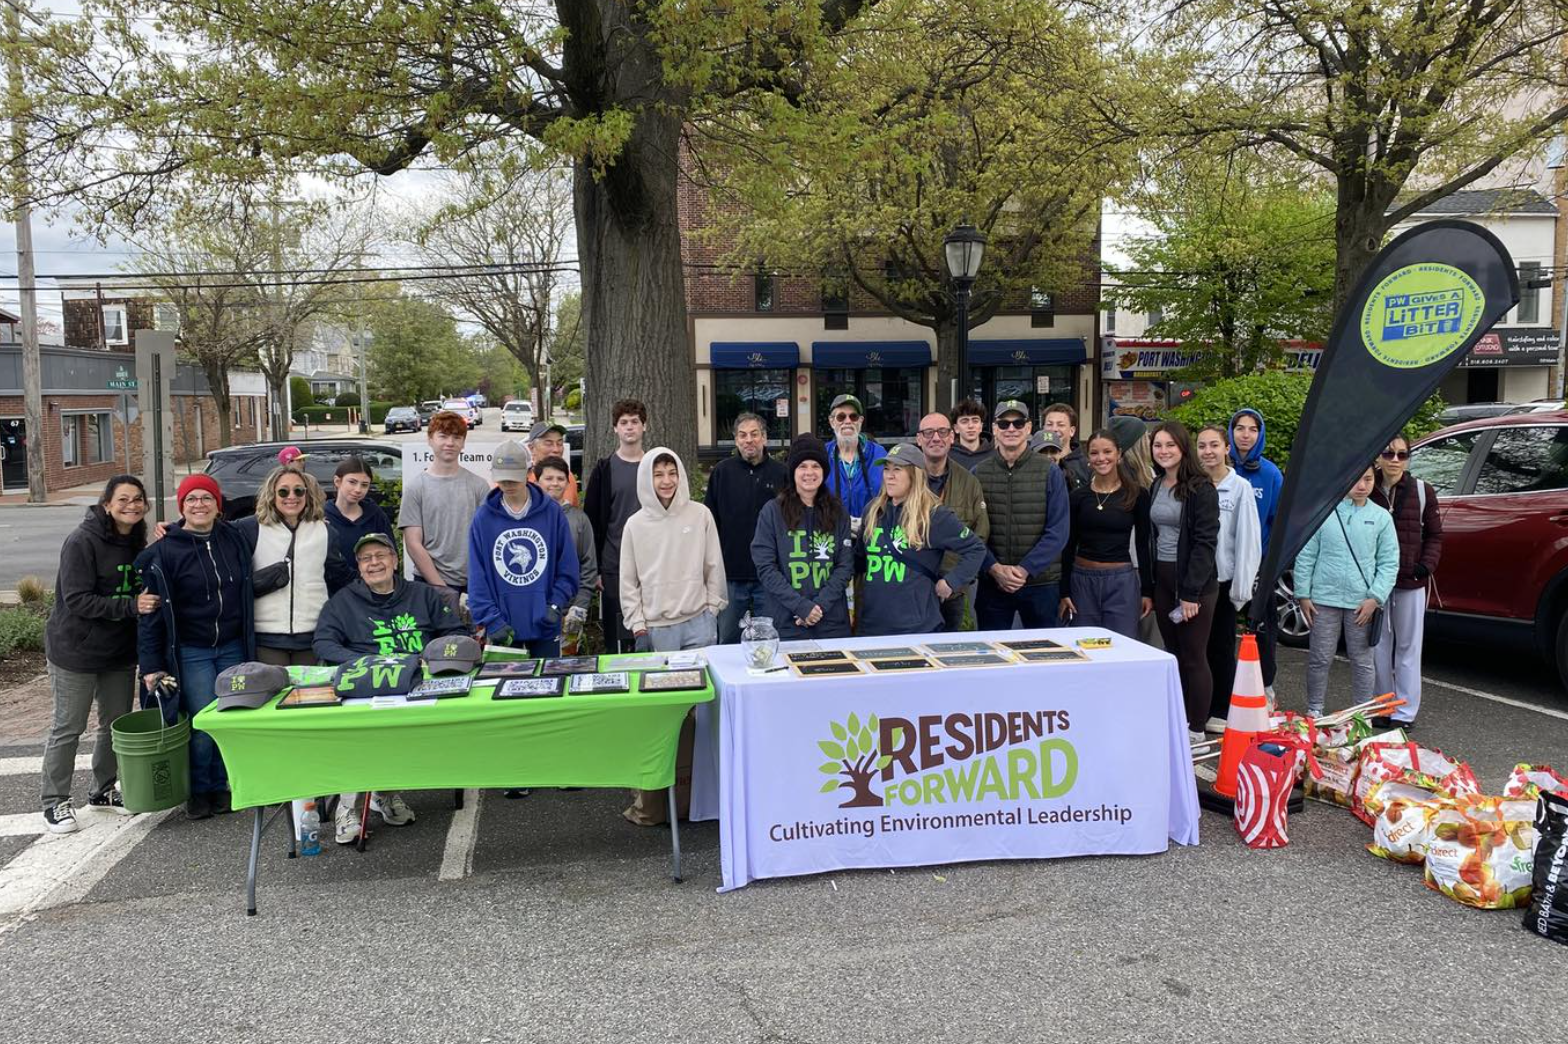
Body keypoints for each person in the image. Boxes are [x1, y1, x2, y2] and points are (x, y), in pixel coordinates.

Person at [314, 532, 468, 842]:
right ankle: (349, 806)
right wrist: (364, 664)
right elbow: (323, 642)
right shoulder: (343, 602)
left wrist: (428, 659)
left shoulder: (424, 595)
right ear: (359, 567)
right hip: (366, 687)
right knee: (357, 733)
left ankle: (385, 794)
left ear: (395, 560)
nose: (374, 563)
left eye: (381, 556)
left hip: (417, 684)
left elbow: (453, 632)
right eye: (366, 559)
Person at [136, 474, 257, 821]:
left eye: (206, 498)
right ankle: (200, 790)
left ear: (218, 506)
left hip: (233, 646)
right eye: (192, 499)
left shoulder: (233, 538)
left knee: (230, 720)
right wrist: (151, 666)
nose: (199, 505)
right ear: (182, 507)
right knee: (203, 723)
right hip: (194, 651)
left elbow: (270, 514)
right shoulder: (162, 552)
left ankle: (224, 784)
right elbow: (151, 615)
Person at [39, 476, 148, 832]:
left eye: (137, 500)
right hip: (76, 650)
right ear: (106, 504)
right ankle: (55, 802)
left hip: (117, 652)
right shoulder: (82, 541)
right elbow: (77, 599)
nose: (131, 505)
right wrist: (131, 606)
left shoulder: (136, 541)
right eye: (123, 499)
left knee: (114, 726)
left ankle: (103, 791)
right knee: (68, 727)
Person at [1297, 464, 1399, 718]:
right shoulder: (1324, 512)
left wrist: (1375, 598)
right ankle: (1314, 709)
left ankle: (1361, 713)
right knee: (1320, 658)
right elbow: (1307, 554)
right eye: (1356, 480)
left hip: (1361, 602)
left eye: (1368, 479)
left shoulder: (1381, 517)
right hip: (1323, 598)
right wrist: (1303, 593)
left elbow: (1389, 562)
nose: (1362, 485)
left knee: (1363, 661)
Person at [856, 442, 986, 636]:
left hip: (917, 627)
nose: (889, 476)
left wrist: (951, 581)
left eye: (897, 469)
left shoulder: (934, 515)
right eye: (886, 469)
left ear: (914, 474)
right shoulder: (873, 510)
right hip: (872, 624)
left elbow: (976, 549)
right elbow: (858, 559)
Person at [466, 440, 580, 658]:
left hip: (546, 624)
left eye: (514, 477)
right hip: (503, 628)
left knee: (549, 686)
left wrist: (556, 604)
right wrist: (491, 620)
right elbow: (477, 577)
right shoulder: (483, 518)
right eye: (502, 478)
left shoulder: (552, 513)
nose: (507, 484)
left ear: (529, 473)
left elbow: (568, 567)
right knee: (505, 689)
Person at [1147, 422, 1221, 737]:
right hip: (1162, 579)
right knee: (1173, 654)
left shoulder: (1201, 488)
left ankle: (1197, 728)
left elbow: (1206, 542)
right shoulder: (1156, 484)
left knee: (1194, 657)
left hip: (1194, 585)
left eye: (1170, 445)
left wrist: (1191, 592)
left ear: (1183, 449)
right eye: (1158, 445)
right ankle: (1178, 718)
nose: (1163, 451)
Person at [236, 464, 349, 666]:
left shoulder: (325, 532)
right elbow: (209, 532)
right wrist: (175, 528)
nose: (292, 496)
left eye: (299, 490)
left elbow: (341, 578)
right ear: (272, 494)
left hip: (311, 635)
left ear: (307, 494)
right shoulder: (249, 528)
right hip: (267, 637)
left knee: (309, 696)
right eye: (283, 491)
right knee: (275, 694)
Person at [973, 400, 1070, 630]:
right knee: (992, 655)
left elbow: (1058, 530)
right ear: (995, 429)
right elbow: (970, 530)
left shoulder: (1050, 471)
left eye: (1018, 423)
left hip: (1041, 582)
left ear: (1028, 428)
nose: (1011, 429)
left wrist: (1024, 569)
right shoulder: (978, 473)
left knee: (1044, 655)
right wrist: (994, 568)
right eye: (1004, 424)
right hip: (992, 583)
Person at [620, 448, 728, 652]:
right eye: (658, 475)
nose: (667, 481)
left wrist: (713, 608)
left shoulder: (700, 515)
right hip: (657, 627)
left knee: (702, 683)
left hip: (700, 622)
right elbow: (628, 581)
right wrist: (638, 626)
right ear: (646, 479)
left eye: (672, 473)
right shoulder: (634, 525)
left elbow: (713, 564)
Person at [1371, 433, 1442, 729]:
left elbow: (1435, 535)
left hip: (1410, 581)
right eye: (1389, 454)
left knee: (1409, 647)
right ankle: (1382, 706)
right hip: (1374, 584)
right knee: (1377, 646)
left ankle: (1405, 711)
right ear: (1378, 457)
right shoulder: (1366, 486)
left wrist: (1425, 566)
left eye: (1402, 454)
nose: (1395, 460)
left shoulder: (1423, 491)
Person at [751, 434, 855, 639]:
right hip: (787, 622)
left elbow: (845, 566)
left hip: (831, 622)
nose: (809, 472)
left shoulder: (838, 512)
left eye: (815, 466)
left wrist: (818, 607)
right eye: (802, 466)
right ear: (793, 471)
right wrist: (800, 606)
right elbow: (766, 567)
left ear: (824, 471)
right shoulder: (772, 512)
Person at [1195, 425, 1262, 729]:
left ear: (1226, 449)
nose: (1208, 451)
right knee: (1196, 649)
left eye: (1214, 445)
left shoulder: (1240, 488)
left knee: (1220, 648)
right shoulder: (1192, 485)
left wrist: (1241, 587)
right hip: (1194, 583)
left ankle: (1221, 708)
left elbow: (1249, 540)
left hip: (1223, 581)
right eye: (1201, 446)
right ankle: (1199, 705)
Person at [1059, 431, 1152, 639]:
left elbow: (1143, 545)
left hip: (1121, 582)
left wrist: (1147, 591)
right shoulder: (1078, 497)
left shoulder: (1137, 494)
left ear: (1119, 454)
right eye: (1094, 453)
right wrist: (1064, 590)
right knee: (1085, 646)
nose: (1101, 458)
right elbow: (1068, 544)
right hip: (1082, 581)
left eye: (1107, 451)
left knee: (1122, 645)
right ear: (1088, 458)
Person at [705, 412, 788, 643]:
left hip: (770, 576)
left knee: (770, 641)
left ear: (764, 438)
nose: (748, 440)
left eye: (754, 434)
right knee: (727, 640)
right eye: (742, 435)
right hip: (730, 576)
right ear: (736, 440)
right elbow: (710, 522)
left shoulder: (782, 474)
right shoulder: (722, 473)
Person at [399, 410, 492, 607]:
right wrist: (441, 589)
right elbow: (413, 543)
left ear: (463, 443)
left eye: (456, 437)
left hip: (475, 586)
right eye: (443, 436)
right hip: (429, 585)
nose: (450, 443)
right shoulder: (416, 488)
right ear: (430, 440)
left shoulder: (479, 486)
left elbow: (488, 539)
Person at [584, 398, 649, 654]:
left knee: (650, 635)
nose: (630, 427)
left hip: (652, 565)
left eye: (635, 422)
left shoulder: (656, 467)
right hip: (614, 566)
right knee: (618, 638)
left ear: (644, 426)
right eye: (624, 423)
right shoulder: (604, 469)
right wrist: (597, 569)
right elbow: (592, 522)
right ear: (615, 428)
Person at [914, 412, 989, 632]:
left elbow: (980, 534)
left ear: (952, 437)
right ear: (919, 439)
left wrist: (955, 580)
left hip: (951, 589)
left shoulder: (969, 482)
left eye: (942, 432)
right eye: (928, 432)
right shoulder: (906, 479)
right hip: (912, 589)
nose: (935, 438)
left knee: (949, 652)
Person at [1229, 407, 1284, 694]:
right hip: (1223, 560)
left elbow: (1278, 521)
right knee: (1222, 628)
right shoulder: (1219, 469)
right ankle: (1224, 686)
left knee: (1262, 626)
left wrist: (1269, 562)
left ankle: (1266, 685)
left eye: (1252, 429)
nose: (1246, 435)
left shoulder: (1270, 473)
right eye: (1240, 428)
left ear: (1260, 434)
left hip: (1258, 562)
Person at [534, 454, 597, 650]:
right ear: (537, 481)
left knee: (565, 668)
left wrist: (580, 605)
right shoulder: (527, 517)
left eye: (560, 479)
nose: (555, 483)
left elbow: (588, 565)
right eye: (549, 478)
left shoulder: (579, 519)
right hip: (533, 610)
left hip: (569, 611)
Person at [324, 456, 394, 588]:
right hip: (332, 596)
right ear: (337, 481)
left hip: (371, 594)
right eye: (352, 482)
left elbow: (391, 556)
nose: (358, 489)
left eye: (364, 485)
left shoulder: (376, 515)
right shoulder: (321, 517)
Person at [823, 393, 887, 522]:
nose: (847, 421)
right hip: (832, 535)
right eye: (841, 417)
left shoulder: (879, 454)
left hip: (872, 533)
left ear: (860, 421)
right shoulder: (822, 454)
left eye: (853, 416)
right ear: (831, 422)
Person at [527, 420, 579, 506]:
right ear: (532, 448)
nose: (556, 449)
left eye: (559, 443)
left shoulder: (568, 477)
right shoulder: (520, 479)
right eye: (548, 444)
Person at [1042, 403, 1090, 491]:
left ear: (1072, 431)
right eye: (1049, 424)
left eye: (1060, 425)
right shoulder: (1034, 461)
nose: (1054, 429)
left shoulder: (1086, 466)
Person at [948, 399, 993, 471]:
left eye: (975, 421)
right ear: (956, 428)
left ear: (981, 426)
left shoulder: (996, 454)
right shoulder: (947, 456)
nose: (970, 426)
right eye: (964, 421)